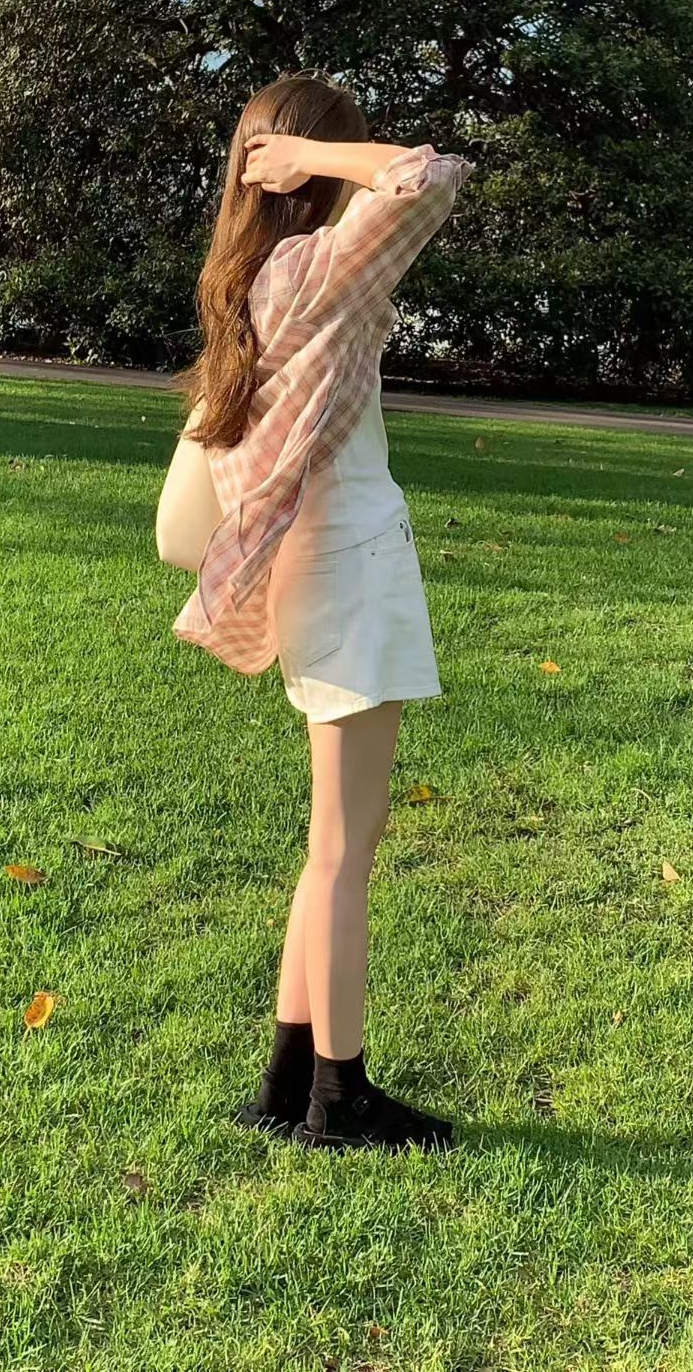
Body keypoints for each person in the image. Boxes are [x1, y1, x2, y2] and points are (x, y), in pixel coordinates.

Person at [156, 72, 471, 1153]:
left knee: (331, 840)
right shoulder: (321, 265)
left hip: (313, 573)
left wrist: (290, 163)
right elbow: (429, 176)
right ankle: (343, 1097)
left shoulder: (247, 283)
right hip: (353, 569)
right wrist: (320, 158)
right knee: (344, 847)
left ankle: (289, 1080)